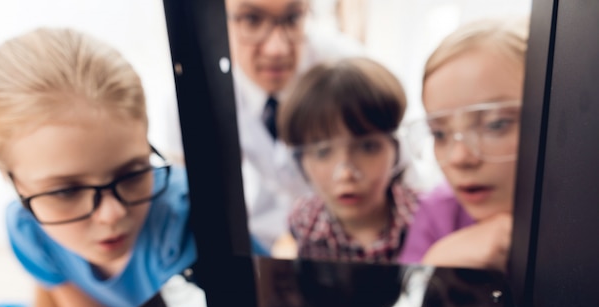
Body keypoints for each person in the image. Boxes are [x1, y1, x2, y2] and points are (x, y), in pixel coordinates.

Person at [0, 27, 196, 307]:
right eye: (65, 191)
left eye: (133, 172)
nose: (113, 214)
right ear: (10, 178)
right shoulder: (27, 231)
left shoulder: (185, 224)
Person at [225, 0, 363, 251]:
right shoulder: (195, 91)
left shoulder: (350, 69)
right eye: (252, 20)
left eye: (292, 19)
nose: (276, 49)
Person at [398, 17, 529, 272]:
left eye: (495, 124)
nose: (459, 158)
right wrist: (436, 265)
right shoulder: (436, 213)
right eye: (439, 134)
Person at [278, 57, 418, 263]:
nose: (345, 174)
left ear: (395, 149)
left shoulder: (425, 217)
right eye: (323, 152)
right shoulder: (304, 220)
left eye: (368, 147)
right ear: (300, 161)